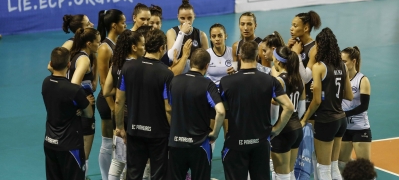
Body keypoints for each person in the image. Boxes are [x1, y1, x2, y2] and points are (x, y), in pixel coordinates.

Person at [220, 41, 294, 180]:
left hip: (236, 143)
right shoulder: (270, 81)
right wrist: (276, 129)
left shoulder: (226, 82)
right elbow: (289, 107)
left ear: (240, 56)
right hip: (260, 143)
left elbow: (222, 111)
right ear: (257, 56)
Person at [115, 29, 174, 180]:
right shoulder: (166, 73)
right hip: (159, 135)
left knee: (133, 174)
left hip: (134, 131)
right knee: (158, 175)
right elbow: (168, 108)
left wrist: (120, 127)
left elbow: (119, 100)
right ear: (162, 48)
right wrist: (173, 131)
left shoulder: (128, 68)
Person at [300, 28, 353, 180]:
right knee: (334, 168)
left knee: (323, 169)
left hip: (326, 120)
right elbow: (348, 95)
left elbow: (316, 101)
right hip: (340, 119)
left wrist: (305, 119)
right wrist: (326, 89)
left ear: (319, 45)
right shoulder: (342, 66)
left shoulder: (318, 67)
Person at [168, 48, 225, 180]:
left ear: (191, 62)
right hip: (199, 145)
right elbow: (221, 111)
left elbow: (169, 108)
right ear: (206, 66)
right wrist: (215, 134)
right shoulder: (207, 85)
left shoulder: (174, 81)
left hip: (176, 144)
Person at [42, 47, 93, 180]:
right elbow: (89, 113)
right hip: (70, 146)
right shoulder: (74, 91)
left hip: (50, 142)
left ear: (51, 64)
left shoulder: (46, 83)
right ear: (69, 64)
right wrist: (80, 108)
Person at [102, 30, 145, 180]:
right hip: (135, 119)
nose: (144, 48)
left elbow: (106, 90)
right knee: (138, 161)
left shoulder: (116, 64)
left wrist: (122, 91)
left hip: (119, 118)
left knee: (118, 159)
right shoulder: (138, 66)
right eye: (143, 45)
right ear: (134, 47)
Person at [288, 10, 321, 179]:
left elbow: (307, 77)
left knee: (311, 147)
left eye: (295, 25)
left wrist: (295, 55)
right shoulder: (296, 45)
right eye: (292, 25)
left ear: (306, 28)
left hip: (310, 102)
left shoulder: (314, 48)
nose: (291, 29)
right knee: (297, 146)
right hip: (297, 101)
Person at [96, 9, 127, 180]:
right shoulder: (104, 48)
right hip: (108, 102)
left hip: (118, 101)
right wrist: (112, 107)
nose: (125, 24)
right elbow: (102, 82)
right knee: (108, 144)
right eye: (123, 22)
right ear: (114, 25)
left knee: (119, 145)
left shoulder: (118, 45)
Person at [67, 27, 101, 178]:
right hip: (85, 112)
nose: (99, 45)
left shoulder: (77, 56)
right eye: (98, 43)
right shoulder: (84, 59)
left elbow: (93, 86)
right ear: (89, 43)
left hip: (78, 111)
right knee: (84, 156)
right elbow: (74, 85)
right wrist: (82, 102)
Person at [270, 46, 306, 180]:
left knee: (281, 176)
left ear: (278, 61)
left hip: (283, 131)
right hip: (296, 129)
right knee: (290, 173)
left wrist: (274, 129)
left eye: (274, 58)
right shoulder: (299, 79)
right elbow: (301, 108)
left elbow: (274, 111)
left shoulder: (279, 81)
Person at [338, 46, 372, 171]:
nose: (342, 64)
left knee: (364, 168)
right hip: (344, 128)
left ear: (354, 61)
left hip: (360, 128)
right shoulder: (340, 79)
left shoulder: (362, 80)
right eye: (340, 61)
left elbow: (364, 106)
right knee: (341, 164)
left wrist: (343, 114)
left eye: (344, 62)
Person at [166, 0, 208, 74]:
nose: (186, 21)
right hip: (177, 76)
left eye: (189, 18)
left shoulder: (201, 35)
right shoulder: (171, 32)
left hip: (194, 76)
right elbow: (172, 56)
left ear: (194, 16)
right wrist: (181, 33)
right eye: (182, 18)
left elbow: (206, 61)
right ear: (177, 17)